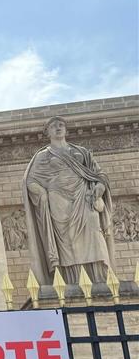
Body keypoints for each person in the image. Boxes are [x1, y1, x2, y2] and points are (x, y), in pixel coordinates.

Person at [22, 115, 116, 284]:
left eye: (61, 125)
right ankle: (70, 280)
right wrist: (42, 194)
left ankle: (99, 277)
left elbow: (98, 173)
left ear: (66, 129)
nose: (58, 128)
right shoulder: (43, 156)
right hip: (58, 200)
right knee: (68, 240)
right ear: (47, 132)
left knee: (94, 232)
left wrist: (100, 187)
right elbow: (31, 181)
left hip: (84, 196)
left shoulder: (81, 152)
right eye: (53, 126)